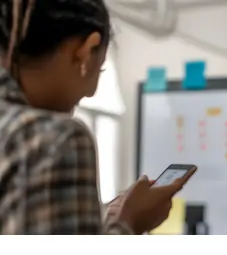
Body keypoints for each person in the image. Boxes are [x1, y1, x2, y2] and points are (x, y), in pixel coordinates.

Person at [0, 0, 190, 234]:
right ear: (86, 52)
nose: (89, 93)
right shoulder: (53, 140)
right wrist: (129, 221)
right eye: (99, 69)